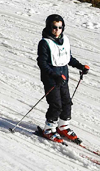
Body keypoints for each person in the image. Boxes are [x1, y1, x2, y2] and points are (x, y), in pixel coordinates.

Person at [36, 14, 90, 143]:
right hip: (51, 78)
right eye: (54, 27)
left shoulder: (64, 40)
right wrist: (55, 76)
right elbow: (42, 63)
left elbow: (68, 58)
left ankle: (63, 127)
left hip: (63, 76)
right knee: (56, 105)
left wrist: (80, 66)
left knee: (67, 103)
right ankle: (48, 130)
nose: (57, 30)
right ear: (49, 27)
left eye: (60, 27)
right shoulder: (44, 43)